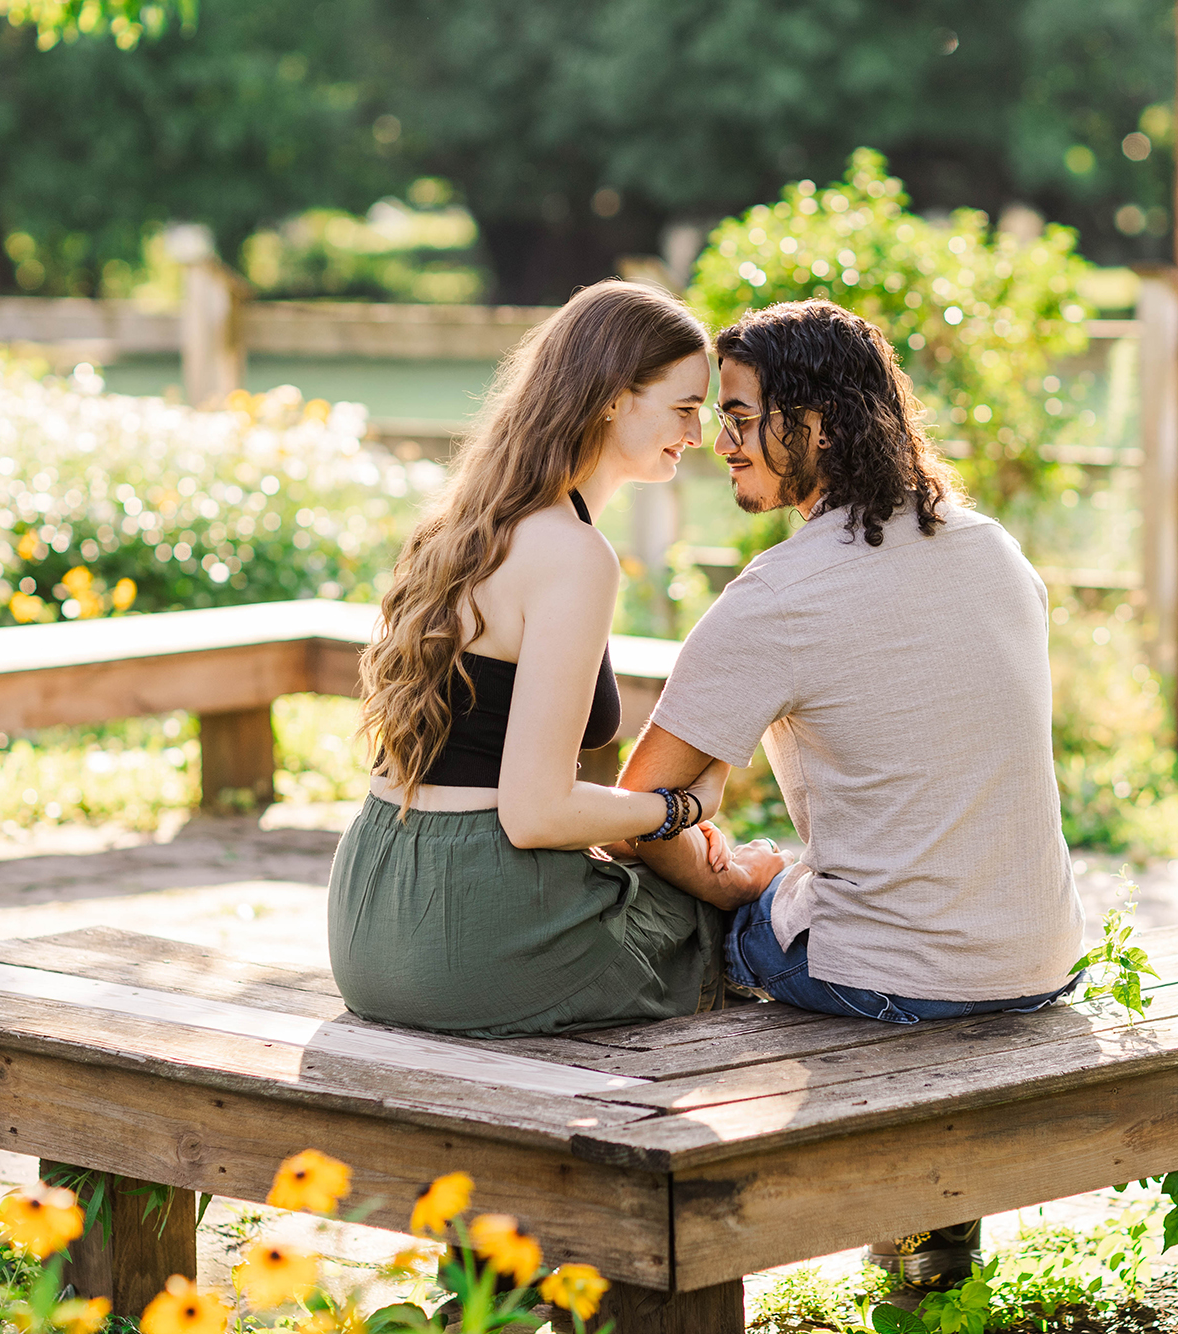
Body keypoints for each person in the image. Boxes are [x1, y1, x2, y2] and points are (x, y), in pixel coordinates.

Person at [615, 298, 1087, 1288]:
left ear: (816, 424)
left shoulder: (779, 594)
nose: (722, 444)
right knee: (793, 870)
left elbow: (635, 804)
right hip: (1038, 955)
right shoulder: (993, 548)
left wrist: (727, 884)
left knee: (660, 903)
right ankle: (932, 1234)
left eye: (742, 417)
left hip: (893, 979)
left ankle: (630, 1220)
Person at [327, 279, 779, 1039]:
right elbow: (535, 812)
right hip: (471, 930)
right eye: (683, 407)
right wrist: (683, 809)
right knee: (743, 923)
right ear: (612, 398)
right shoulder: (573, 554)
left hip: (369, 909)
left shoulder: (465, 524)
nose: (698, 434)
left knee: (674, 891)